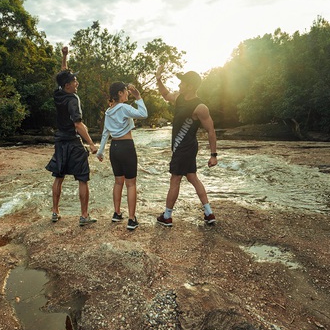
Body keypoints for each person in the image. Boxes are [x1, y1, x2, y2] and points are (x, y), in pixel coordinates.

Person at [155, 65, 218, 226]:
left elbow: (211, 130)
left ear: (190, 86)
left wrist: (213, 155)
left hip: (185, 148)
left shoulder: (200, 107)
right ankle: (209, 213)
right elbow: (164, 94)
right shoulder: (179, 98)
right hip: (183, 148)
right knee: (192, 177)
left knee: (175, 179)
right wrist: (158, 79)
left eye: (182, 82)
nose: (179, 85)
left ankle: (167, 216)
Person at [45, 46, 98, 226]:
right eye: (74, 81)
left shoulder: (58, 93)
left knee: (58, 176)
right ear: (67, 85)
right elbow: (78, 124)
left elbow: (62, 73)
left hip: (60, 141)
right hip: (73, 142)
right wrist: (91, 143)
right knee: (83, 178)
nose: (77, 82)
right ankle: (84, 216)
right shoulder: (73, 99)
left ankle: (55, 212)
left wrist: (64, 57)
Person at [97, 82, 148, 230]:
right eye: (126, 91)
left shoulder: (108, 111)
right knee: (130, 184)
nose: (127, 94)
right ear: (120, 93)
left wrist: (100, 152)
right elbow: (144, 114)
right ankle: (131, 220)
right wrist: (138, 97)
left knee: (118, 182)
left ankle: (117, 213)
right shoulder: (124, 108)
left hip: (114, 148)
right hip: (126, 147)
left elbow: (105, 133)